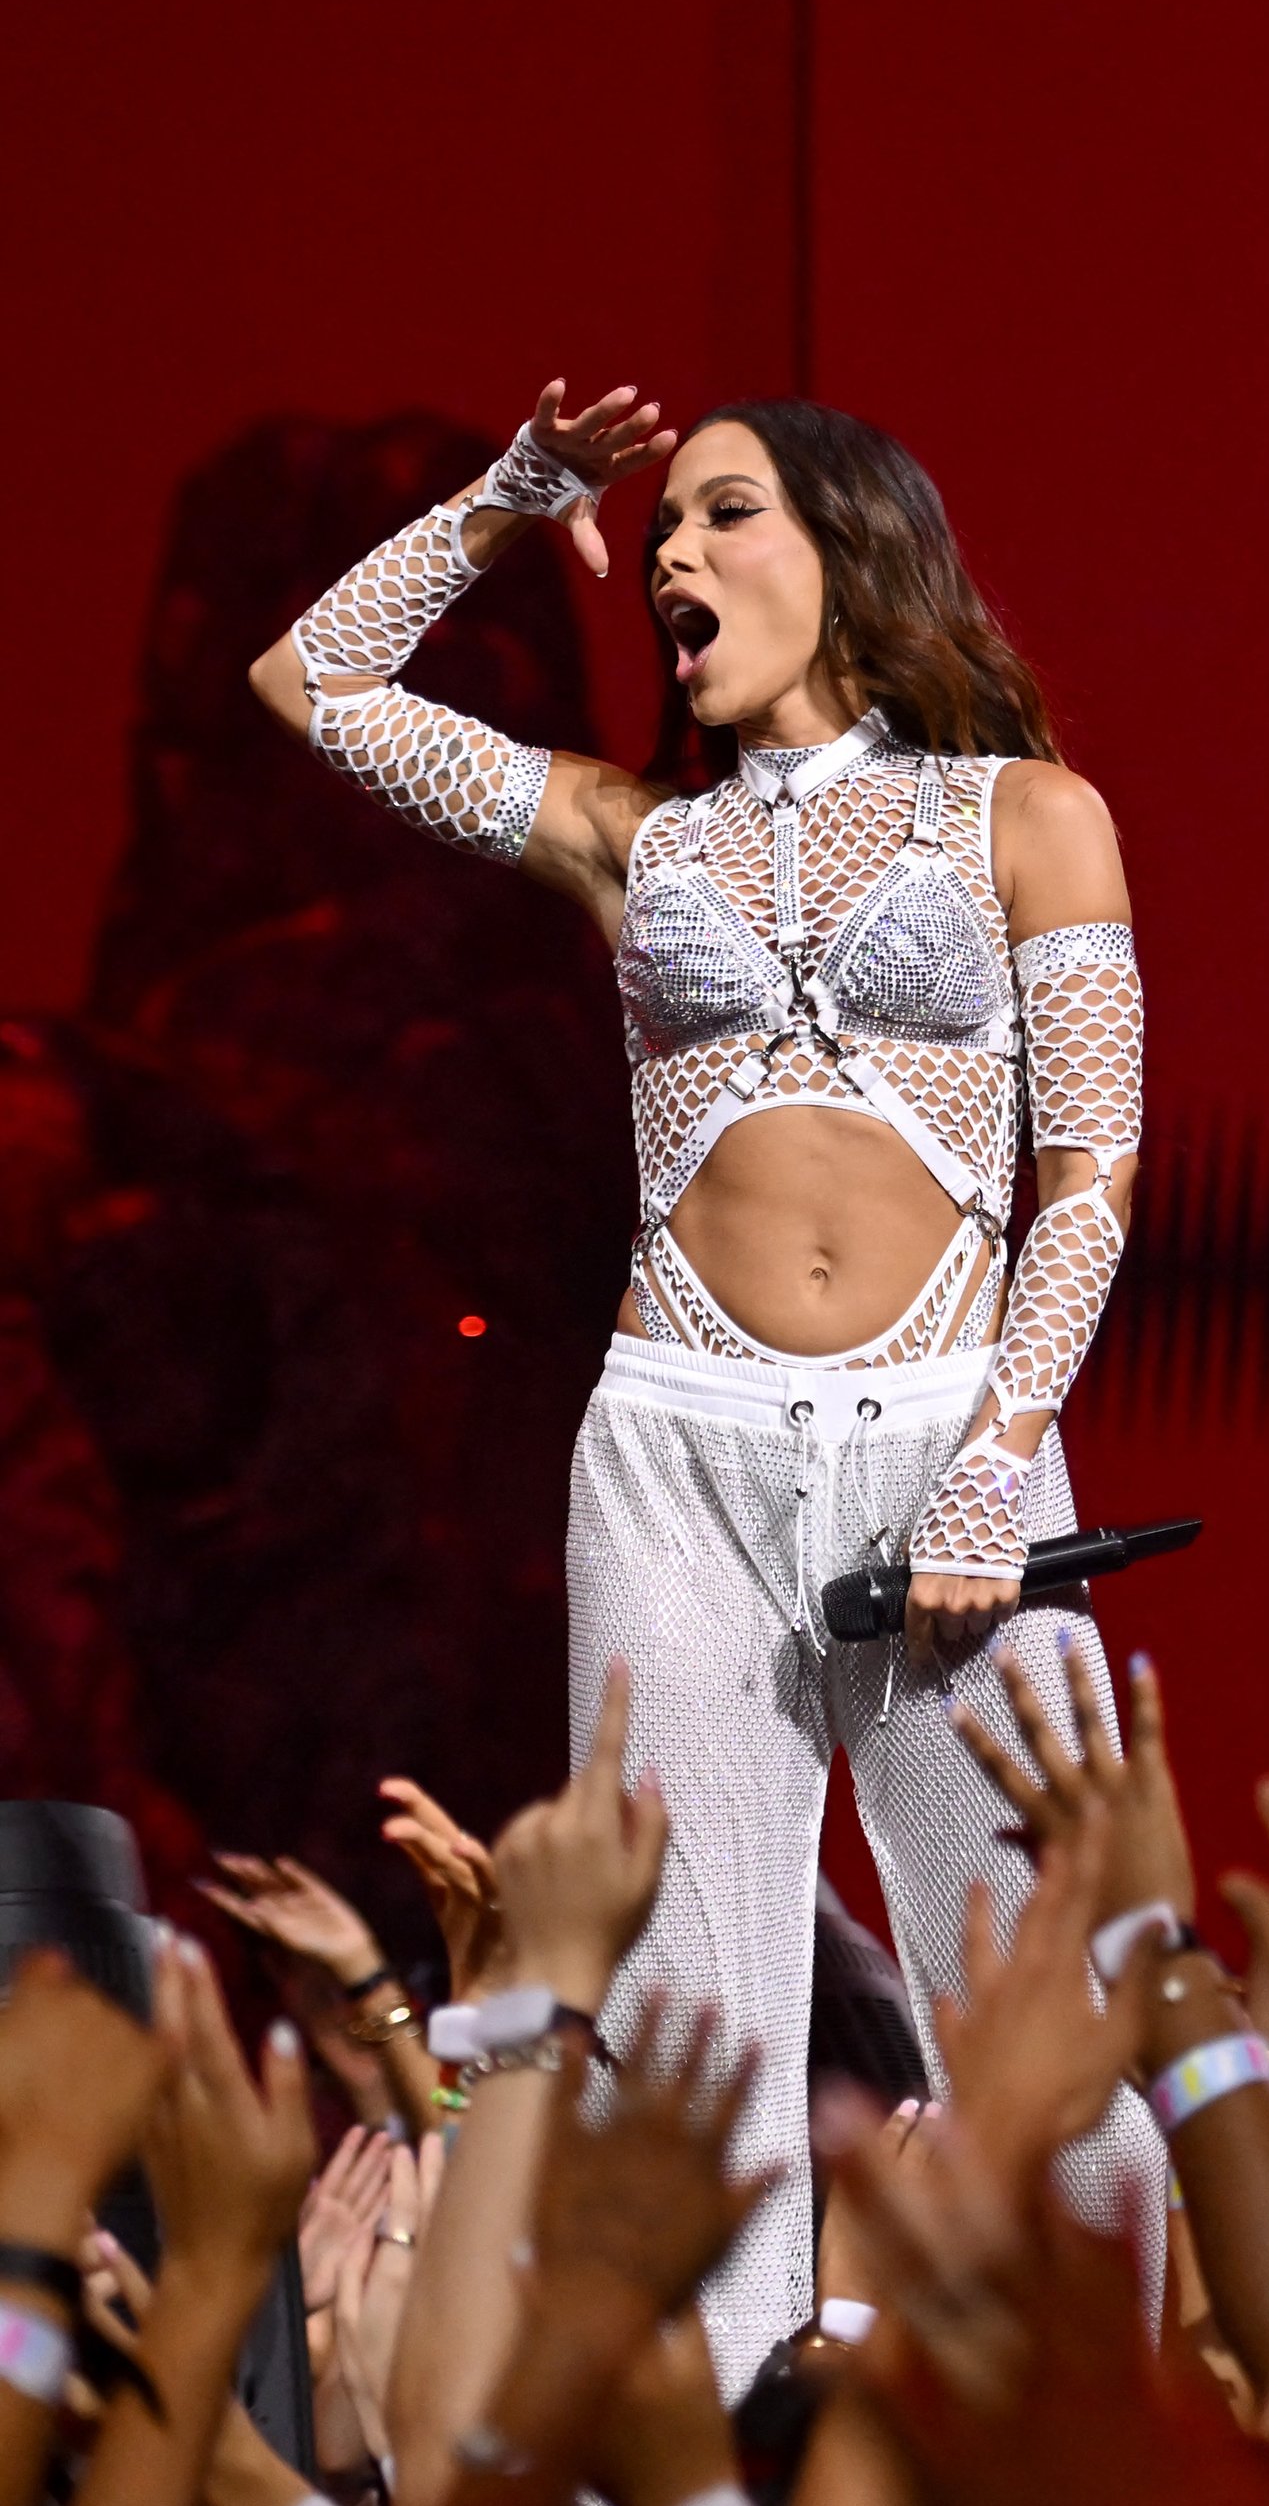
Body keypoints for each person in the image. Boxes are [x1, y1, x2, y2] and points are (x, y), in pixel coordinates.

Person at [243, 382, 1160, 2389]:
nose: (670, 554)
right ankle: (715, 2499)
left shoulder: (1030, 814)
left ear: (849, 549)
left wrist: (1000, 1466)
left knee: (1046, 2000)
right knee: (688, 2021)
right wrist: (515, 495)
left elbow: (1089, 1173)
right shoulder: (624, 833)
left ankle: (1105, 2467)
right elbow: (312, 679)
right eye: (656, 528)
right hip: (677, 1446)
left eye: (720, 514)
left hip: (954, 1449)